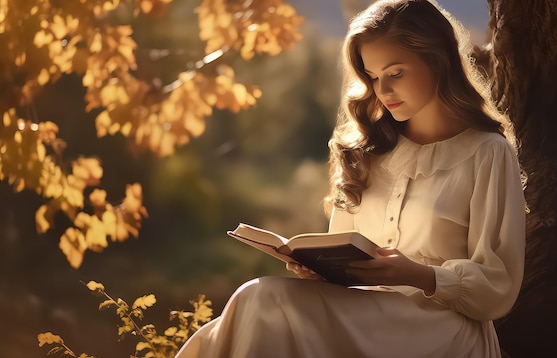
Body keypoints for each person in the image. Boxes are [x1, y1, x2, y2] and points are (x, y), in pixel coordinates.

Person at [176, 0, 526, 357]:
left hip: (441, 329)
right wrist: (319, 269)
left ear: (438, 60)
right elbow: (345, 256)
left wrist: (417, 275)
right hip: (360, 317)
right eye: (373, 78)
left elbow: (499, 286)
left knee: (261, 299)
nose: (383, 91)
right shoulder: (367, 151)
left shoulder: (487, 153)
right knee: (257, 300)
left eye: (396, 73)